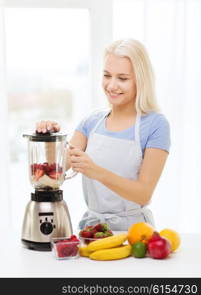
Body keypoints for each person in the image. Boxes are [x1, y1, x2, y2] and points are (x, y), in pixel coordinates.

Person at [36, 39, 170, 231]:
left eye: (122, 78)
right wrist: (50, 139)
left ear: (140, 80)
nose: (111, 85)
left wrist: (96, 171)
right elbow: (53, 176)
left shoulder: (156, 125)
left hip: (135, 232)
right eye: (107, 75)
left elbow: (144, 194)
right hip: (93, 231)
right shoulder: (91, 122)